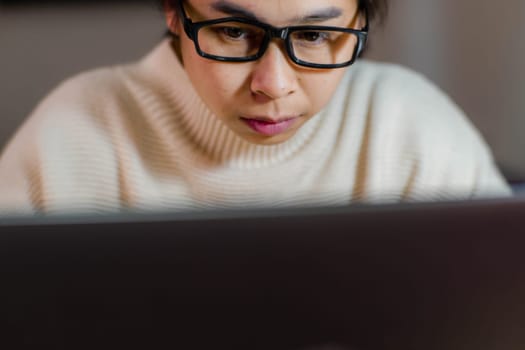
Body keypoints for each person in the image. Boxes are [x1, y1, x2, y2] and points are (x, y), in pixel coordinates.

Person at [0, 0, 511, 216]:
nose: (273, 85)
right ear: (174, 13)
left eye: (314, 35)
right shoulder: (71, 135)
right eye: (234, 31)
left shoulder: (416, 130)